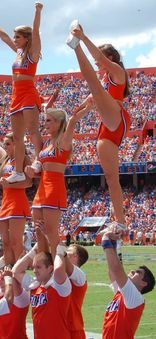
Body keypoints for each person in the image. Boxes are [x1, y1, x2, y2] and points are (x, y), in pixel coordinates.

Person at [67, 24, 131, 232]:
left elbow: (101, 61)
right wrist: (74, 119)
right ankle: (120, 221)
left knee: (92, 81)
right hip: (106, 125)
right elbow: (89, 104)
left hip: (116, 115)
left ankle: (75, 46)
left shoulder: (117, 72)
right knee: (111, 178)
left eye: (100, 58)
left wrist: (83, 39)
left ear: (110, 57)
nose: (96, 61)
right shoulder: (104, 80)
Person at [0, 2, 43, 183]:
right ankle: (18, 171)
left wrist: (37, 12)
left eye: (18, 36)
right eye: (15, 36)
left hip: (28, 93)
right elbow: (4, 38)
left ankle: (38, 160)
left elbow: (36, 31)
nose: (15, 39)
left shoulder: (33, 53)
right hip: (15, 95)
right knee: (18, 136)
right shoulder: (18, 52)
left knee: (33, 130)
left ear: (26, 38)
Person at [26, 104, 91, 257]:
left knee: (50, 231)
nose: (45, 124)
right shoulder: (46, 144)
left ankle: (58, 268)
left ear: (58, 122)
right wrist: (33, 170)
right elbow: (33, 132)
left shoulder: (63, 141)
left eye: (49, 121)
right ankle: (44, 268)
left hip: (54, 187)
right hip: (41, 188)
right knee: (38, 231)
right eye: (45, 120)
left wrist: (88, 107)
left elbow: (73, 120)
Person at [101, 230, 155, 339]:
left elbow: (117, 270)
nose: (132, 271)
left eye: (137, 272)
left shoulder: (135, 297)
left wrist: (106, 241)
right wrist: (114, 243)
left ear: (143, 283)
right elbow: (113, 272)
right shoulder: (122, 293)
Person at [0, 133, 32, 265]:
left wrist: (10, 184)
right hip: (6, 203)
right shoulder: (6, 159)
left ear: (16, 145)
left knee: (15, 241)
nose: (4, 146)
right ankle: (9, 269)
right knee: (5, 242)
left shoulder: (23, 159)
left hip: (17, 202)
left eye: (8, 143)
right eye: (4, 143)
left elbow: (28, 183)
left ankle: (20, 271)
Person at [13, 243, 72, 339]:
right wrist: (34, 251)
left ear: (50, 268)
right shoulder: (35, 285)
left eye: (38, 267)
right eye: (33, 267)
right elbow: (16, 271)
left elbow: (58, 269)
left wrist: (60, 252)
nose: (34, 271)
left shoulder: (59, 287)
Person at [65, 244, 88, 339]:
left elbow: (69, 269)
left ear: (75, 256)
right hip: (60, 327)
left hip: (73, 329)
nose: (66, 252)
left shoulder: (80, 275)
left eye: (68, 250)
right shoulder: (60, 273)